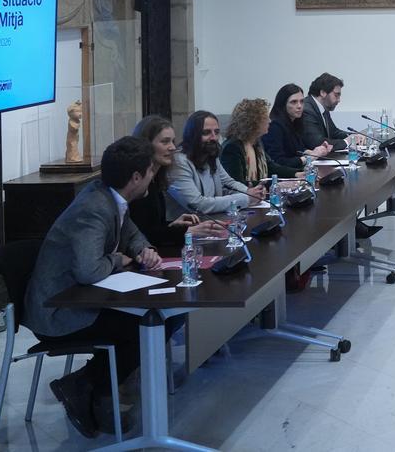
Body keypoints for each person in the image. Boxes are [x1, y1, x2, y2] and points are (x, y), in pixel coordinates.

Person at [24, 137, 164, 438]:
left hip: (81, 298)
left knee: (154, 319)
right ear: (136, 177)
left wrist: (143, 250)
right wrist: (119, 258)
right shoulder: (94, 208)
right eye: (150, 171)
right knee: (142, 326)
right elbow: (89, 271)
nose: (154, 176)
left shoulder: (112, 197)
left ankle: (94, 389)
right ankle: (85, 385)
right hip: (58, 311)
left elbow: (131, 232)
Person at [127, 115, 226, 248]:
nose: (173, 147)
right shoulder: (138, 183)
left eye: (173, 141)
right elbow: (143, 234)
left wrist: (173, 225)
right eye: (165, 142)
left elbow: (155, 227)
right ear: (147, 145)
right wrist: (186, 231)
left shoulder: (157, 179)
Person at [167, 110, 262, 216]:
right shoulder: (178, 162)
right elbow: (198, 205)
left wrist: (250, 192)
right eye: (206, 133)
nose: (214, 138)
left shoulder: (210, 155)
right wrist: (247, 198)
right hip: (186, 229)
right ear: (193, 135)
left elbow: (229, 184)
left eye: (216, 132)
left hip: (214, 222)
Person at [222, 97, 302, 184]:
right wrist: (278, 185)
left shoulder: (256, 142)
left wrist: (296, 174)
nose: (270, 121)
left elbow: (270, 167)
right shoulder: (232, 148)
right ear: (253, 122)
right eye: (265, 118)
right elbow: (238, 184)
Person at [263, 83, 333, 172]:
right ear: (283, 104)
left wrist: (315, 152)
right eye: (294, 102)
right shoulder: (274, 126)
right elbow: (278, 162)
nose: (299, 106)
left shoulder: (295, 121)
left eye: (302, 101)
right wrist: (309, 158)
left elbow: (298, 149)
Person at [301, 72, 363, 151]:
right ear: (323, 93)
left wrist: (354, 136)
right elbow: (317, 142)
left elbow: (334, 132)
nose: (339, 100)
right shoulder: (307, 110)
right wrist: (347, 141)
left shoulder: (323, 108)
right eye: (336, 95)